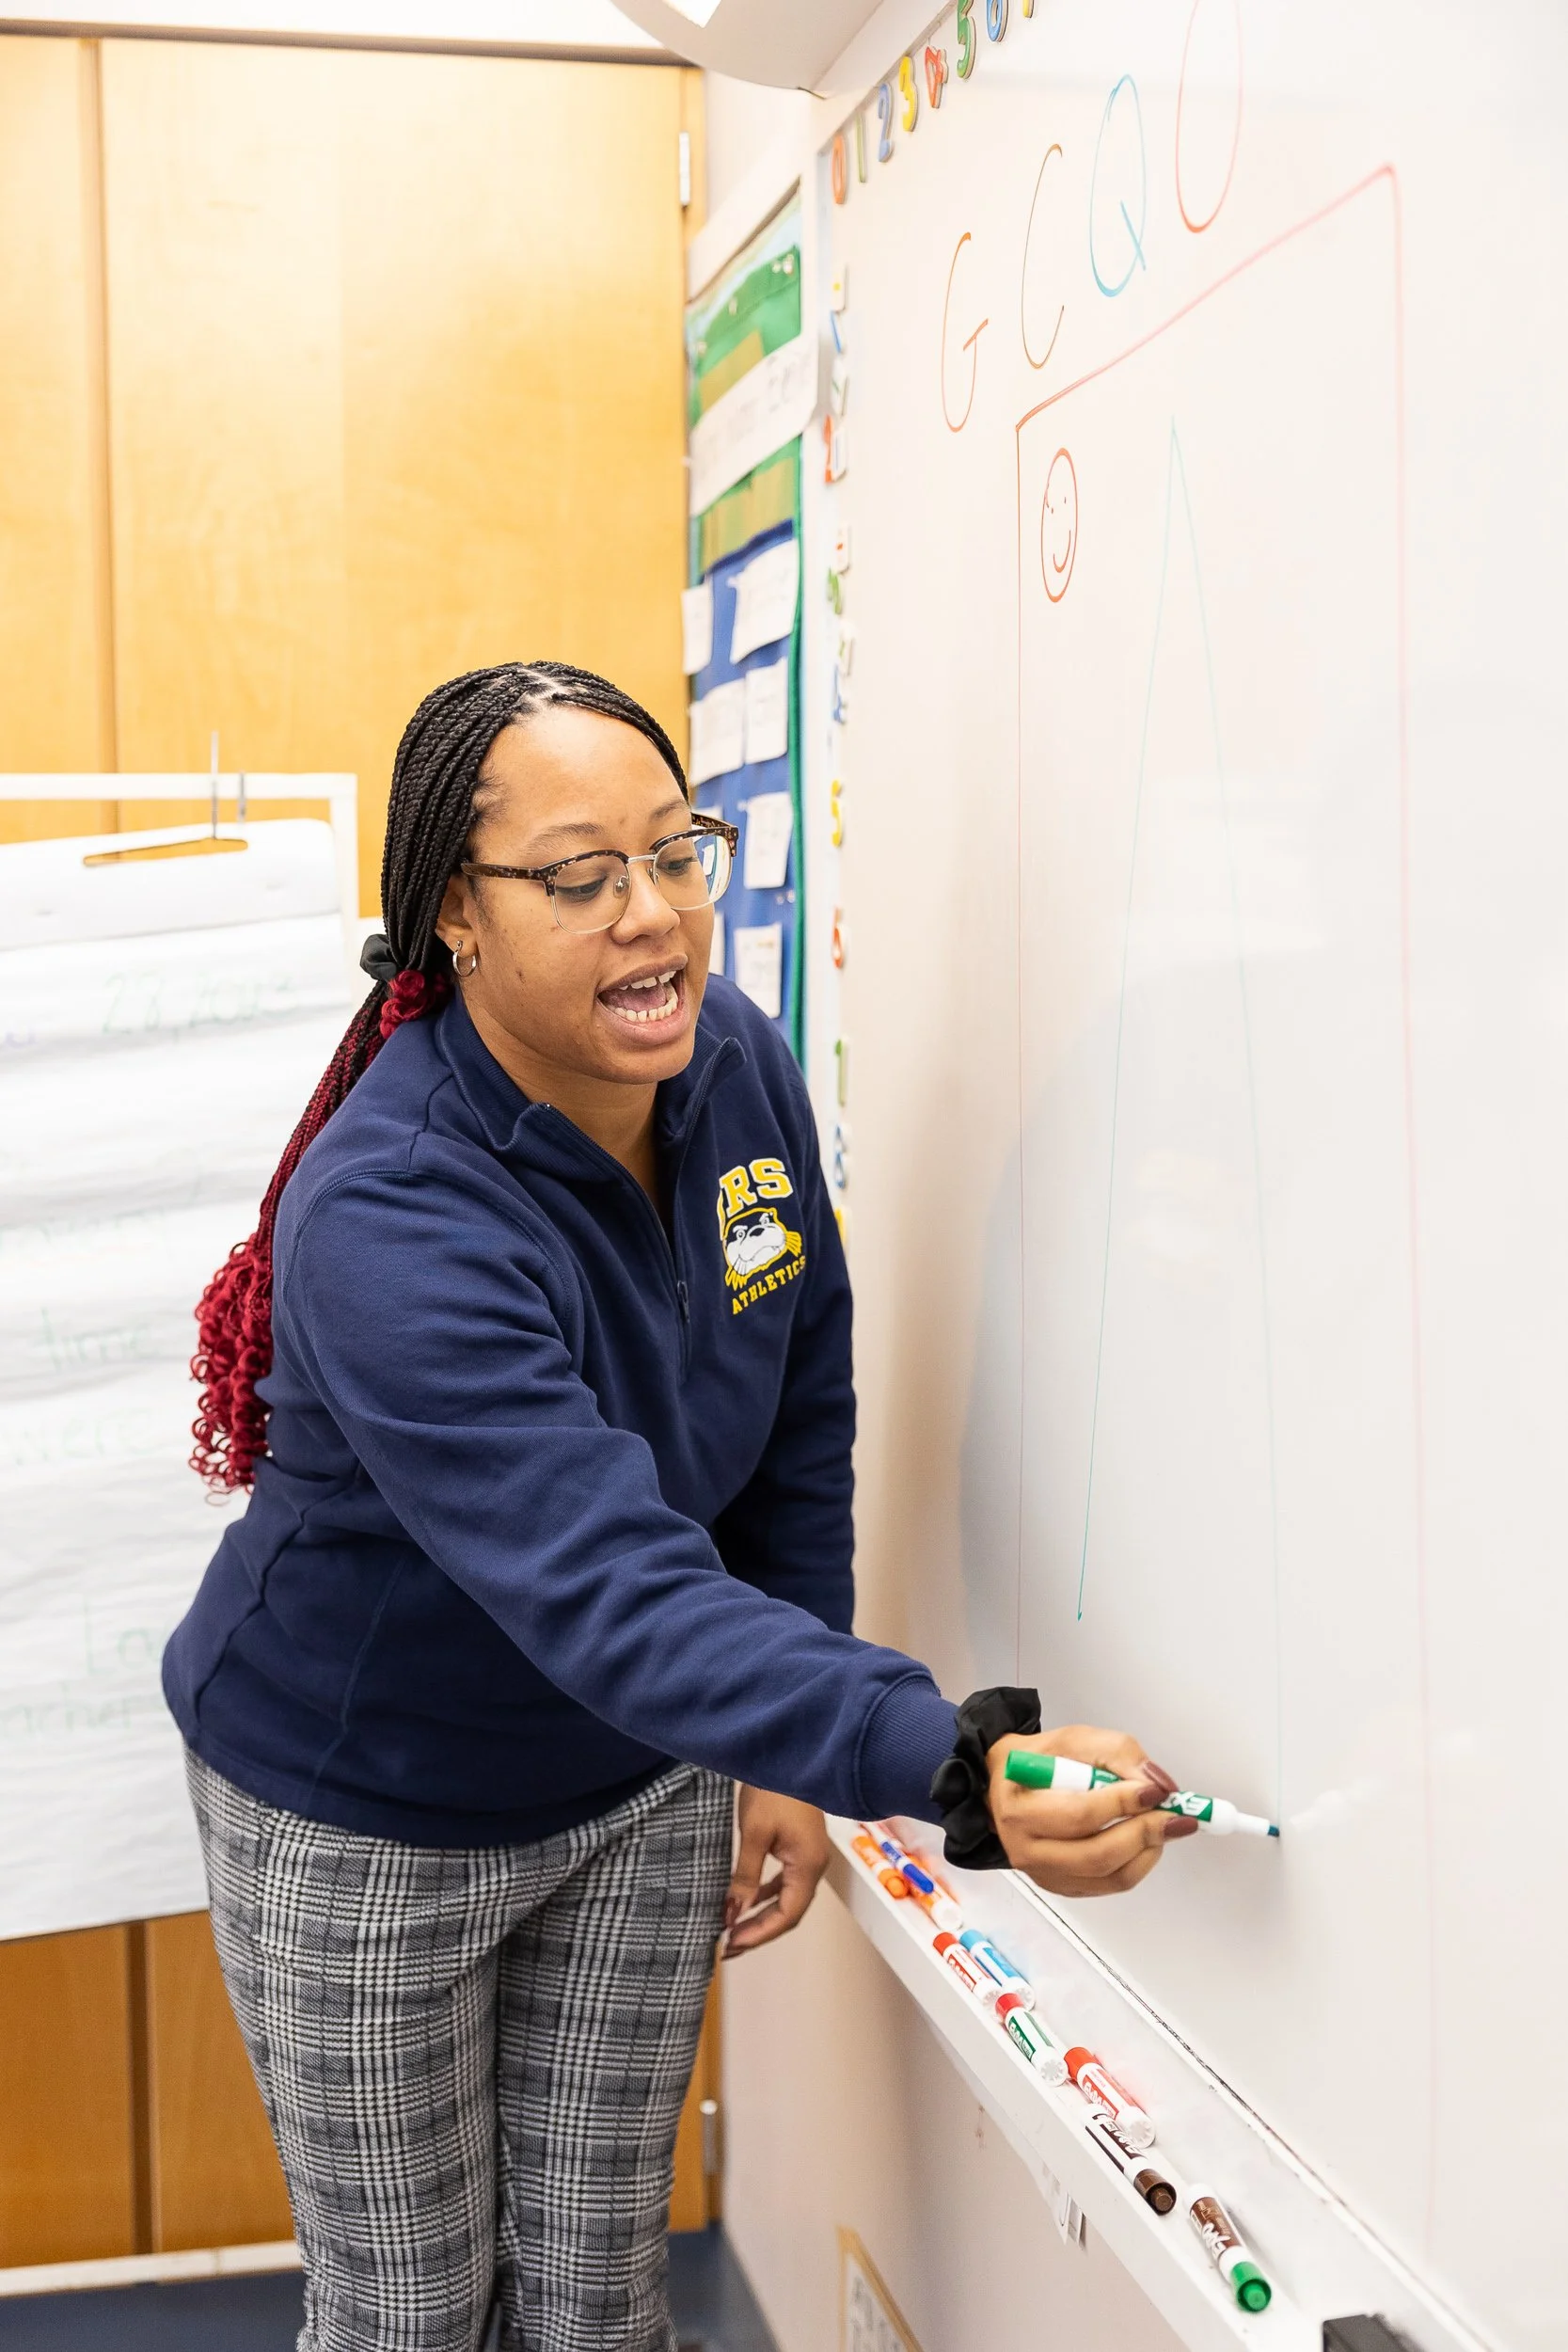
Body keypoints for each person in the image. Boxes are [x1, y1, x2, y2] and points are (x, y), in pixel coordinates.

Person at [162, 661, 1192, 2352]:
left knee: (594, 2288)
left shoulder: (730, 1066)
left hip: (633, 1779)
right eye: (577, 879)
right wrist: (946, 1765)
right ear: (453, 919)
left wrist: (788, 1745)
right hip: (364, 1807)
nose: (651, 919)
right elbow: (608, 1588)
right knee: (415, 2311)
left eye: (676, 852)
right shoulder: (393, 1213)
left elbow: (797, 1407)